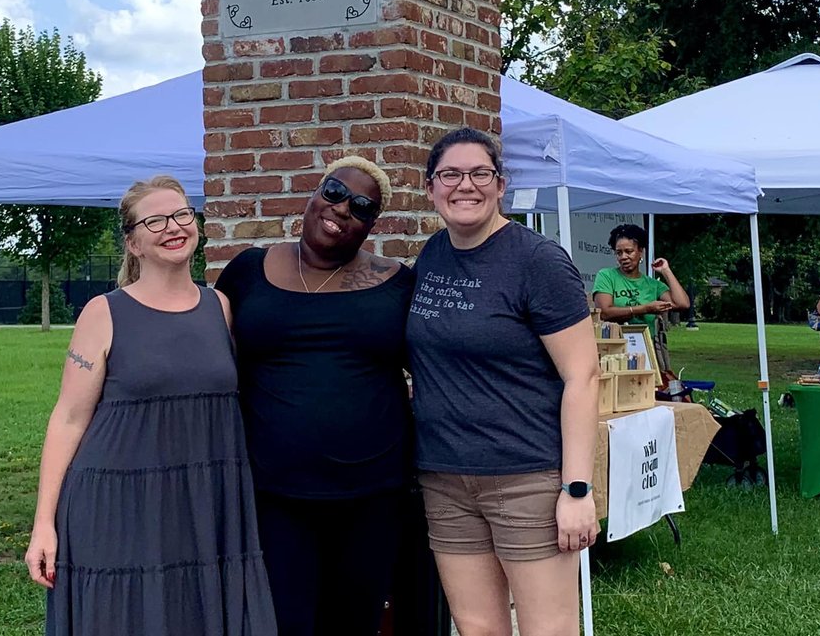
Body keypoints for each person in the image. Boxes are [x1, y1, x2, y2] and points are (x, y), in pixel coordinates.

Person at [26, 174, 275, 636]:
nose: (173, 227)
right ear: (133, 243)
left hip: (203, 502)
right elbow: (68, 418)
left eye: (181, 215)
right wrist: (44, 524)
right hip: (119, 502)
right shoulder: (103, 312)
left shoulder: (219, 307)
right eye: (155, 220)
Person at [406, 127, 599, 636]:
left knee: (548, 629)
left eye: (479, 174)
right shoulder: (432, 256)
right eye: (450, 174)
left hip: (525, 478)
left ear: (500, 185)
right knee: (477, 627)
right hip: (445, 477)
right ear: (430, 188)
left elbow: (583, 374)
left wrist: (577, 489)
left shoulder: (537, 260)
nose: (464, 185)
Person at [215, 156, 414, 636]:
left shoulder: (399, 283)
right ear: (313, 194)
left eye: (362, 207)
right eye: (334, 192)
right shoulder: (248, 271)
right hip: (275, 491)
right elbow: (212, 358)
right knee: (285, 620)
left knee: (356, 620)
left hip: (374, 491)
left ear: (372, 225)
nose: (343, 208)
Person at [592, 223, 690, 333]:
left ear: (640, 252)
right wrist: (645, 309)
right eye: (619, 253)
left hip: (647, 345)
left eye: (629, 252)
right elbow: (604, 313)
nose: (623, 257)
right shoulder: (607, 276)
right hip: (616, 344)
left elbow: (682, 304)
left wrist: (666, 270)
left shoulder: (653, 285)